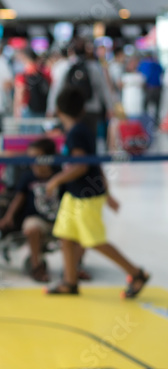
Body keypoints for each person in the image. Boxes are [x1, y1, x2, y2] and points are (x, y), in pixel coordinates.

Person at [44, 88, 149, 298]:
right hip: (74, 195)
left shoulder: (76, 134)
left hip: (85, 196)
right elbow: (95, 164)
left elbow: (82, 166)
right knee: (65, 236)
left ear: (58, 110)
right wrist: (108, 193)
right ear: (82, 109)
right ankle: (70, 281)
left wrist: (56, 180)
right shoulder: (81, 130)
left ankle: (136, 273)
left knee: (94, 240)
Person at [0, 138, 61, 282]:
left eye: (37, 157)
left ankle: (74, 267)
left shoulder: (59, 175)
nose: (33, 161)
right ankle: (36, 266)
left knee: (78, 229)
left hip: (58, 218)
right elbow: (19, 198)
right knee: (32, 228)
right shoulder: (28, 176)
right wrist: (8, 217)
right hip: (35, 218)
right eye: (31, 157)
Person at [46, 39, 118, 138]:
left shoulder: (64, 66)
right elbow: (103, 88)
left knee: (72, 138)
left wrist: (51, 108)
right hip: (92, 109)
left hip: (71, 110)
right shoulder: (93, 66)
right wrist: (110, 107)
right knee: (90, 138)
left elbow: (56, 89)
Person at [12, 48, 51, 120]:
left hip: (27, 109)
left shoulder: (23, 74)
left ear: (24, 58)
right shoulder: (45, 72)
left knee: (28, 131)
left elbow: (20, 94)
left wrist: (16, 111)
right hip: (43, 108)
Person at [137, 52, 164, 125]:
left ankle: (145, 123)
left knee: (145, 107)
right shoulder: (157, 63)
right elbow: (162, 72)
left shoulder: (144, 64)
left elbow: (142, 75)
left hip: (149, 88)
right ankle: (156, 123)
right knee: (157, 107)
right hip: (157, 88)